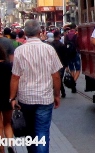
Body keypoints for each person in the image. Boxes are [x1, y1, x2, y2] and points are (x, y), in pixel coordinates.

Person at [9, 19, 62, 153]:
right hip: (45, 98)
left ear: (25, 33)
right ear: (39, 32)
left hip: (25, 99)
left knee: (30, 133)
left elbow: (15, 77)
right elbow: (56, 75)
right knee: (42, 133)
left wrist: (12, 98)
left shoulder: (19, 51)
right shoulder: (49, 49)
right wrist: (57, 95)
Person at [48, 31, 68, 98]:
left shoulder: (50, 45)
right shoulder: (62, 45)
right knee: (59, 78)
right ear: (59, 36)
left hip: (52, 64)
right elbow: (65, 56)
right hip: (61, 64)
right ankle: (62, 92)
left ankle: (59, 92)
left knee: (55, 78)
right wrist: (66, 65)